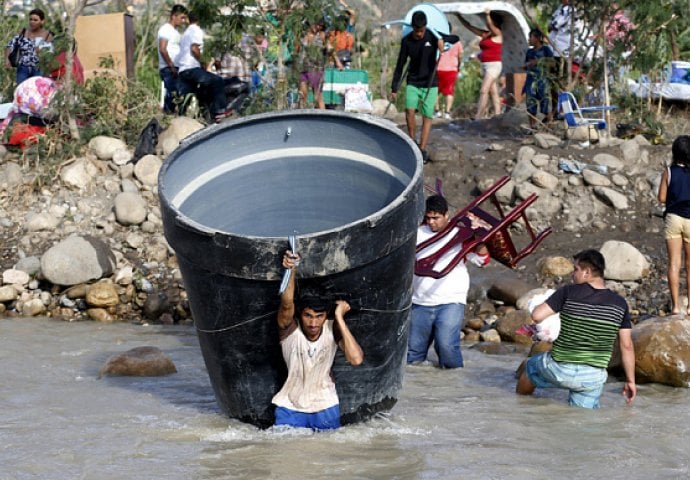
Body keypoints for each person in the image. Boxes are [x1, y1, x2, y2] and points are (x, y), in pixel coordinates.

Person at [516, 249, 636, 409]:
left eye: (576, 269)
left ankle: (521, 408)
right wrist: (630, 381)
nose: (573, 274)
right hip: (592, 377)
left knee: (530, 367)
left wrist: (539, 302)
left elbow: (537, 315)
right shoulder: (620, 304)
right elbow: (626, 346)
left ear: (586, 272)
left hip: (559, 368)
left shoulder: (568, 292)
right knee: (581, 419)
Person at [272, 250, 364, 431]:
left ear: (325, 316)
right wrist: (291, 270)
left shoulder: (332, 328)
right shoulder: (290, 330)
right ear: (300, 314)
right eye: (308, 316)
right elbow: (287, 304)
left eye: (319, 316)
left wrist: (339, 317)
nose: (313, 323)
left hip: (325, 405)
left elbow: (356, 359)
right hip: (289, 406)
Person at [408, 195, 490, 368]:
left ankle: (455, 384)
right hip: (420, 301)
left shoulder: (459, 234)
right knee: (413, 353)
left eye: (436, 218)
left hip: (450, 300)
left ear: (447, 215)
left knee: (447, 347)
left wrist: (480, 239)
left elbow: (482, 260)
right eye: (428, 218)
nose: (431, 222)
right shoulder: (416, 234)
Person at [390, 11, 444, 164]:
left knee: (427, 116)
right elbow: (400, 64)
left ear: (425, 27)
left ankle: (422, 148)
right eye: (417, 30)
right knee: (409, 111)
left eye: (422, 31)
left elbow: (453, 39)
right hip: (413, 81)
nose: (419, 34)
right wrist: (394, 88)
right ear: (412, 28)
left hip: (430, 82)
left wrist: (442, 41)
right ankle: (412, 143)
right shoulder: (406, 41)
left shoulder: (433, 36)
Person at [174, 12, 230, 123]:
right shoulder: (196, 30)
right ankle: (219, 112)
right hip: (192, 68)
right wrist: (203, 63)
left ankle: (199, 117)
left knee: (190, 98)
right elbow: (194, 49)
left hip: (183, 72)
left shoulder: (185, 33)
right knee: (217, 81)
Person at [657, 135, 690, 318]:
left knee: (674, 263)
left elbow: (661, 198)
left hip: (673, 218)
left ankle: (676, 307)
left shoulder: (668, 172)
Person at [459, 10, 503, 119]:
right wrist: (459, 16)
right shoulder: (485, 34)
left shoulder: (498, 33)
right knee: (493, 91)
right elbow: (469, 26)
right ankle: (498, 114)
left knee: (484, 90)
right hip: (485, 65)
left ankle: (479, 116)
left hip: (494, 65)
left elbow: (490, 25)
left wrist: (488, 14)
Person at [4, 8, 53, 85]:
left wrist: (42, 52)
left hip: (39, 69)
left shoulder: (47, 35)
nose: (32, 22)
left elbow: (50, 55)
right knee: (21, 91)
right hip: (23, 68)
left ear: (42, 21)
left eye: (35, 20)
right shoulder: (23, 32)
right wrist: (7, 60)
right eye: (31, 19)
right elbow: (9, 45)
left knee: (36, 92)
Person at [157, 4, 187, 114]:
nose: (183, 21)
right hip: (168, 68)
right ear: (174, 16)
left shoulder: (175, 32)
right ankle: (166, 119)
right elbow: (162, 49)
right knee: (172, 95)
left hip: (175, 68)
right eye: (182, 18)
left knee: (177, 95)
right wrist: (171, 65)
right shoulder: (165, 29)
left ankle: (171, 117)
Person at [294, 20, 330, 109]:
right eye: (317, 24)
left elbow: (330, 49)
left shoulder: (321, 36)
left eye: (321, 26)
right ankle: (302, 117)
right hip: (303, 68)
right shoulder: (302, 35)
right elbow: (296, 50)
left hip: (316, 69)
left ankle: (323, 117)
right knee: (302, 95)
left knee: (317, 97)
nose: (318, 27)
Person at [523, 28, 554, 129]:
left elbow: (553, 63)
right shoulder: (529, 52)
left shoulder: (546, 50)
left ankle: (549, 126)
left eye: (530, 37)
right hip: (530, 80)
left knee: (545, 104)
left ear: (536, 38)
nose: (529, 40)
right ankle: (532, 127)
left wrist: (538, 62)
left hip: (542, 80)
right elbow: (525, 64)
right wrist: (526, 65)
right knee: (530, 104)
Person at [434, 38, 463, 120]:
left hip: (438, 68)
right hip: (452, 69)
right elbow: (460, 55)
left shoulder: (439, 40)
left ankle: (437, 112)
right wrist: (458, 65)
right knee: (449, 91)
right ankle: (447, 113)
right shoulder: (457, 42)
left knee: (435, 90)